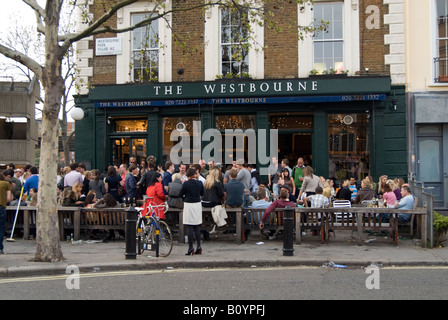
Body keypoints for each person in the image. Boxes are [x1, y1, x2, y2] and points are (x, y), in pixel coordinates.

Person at [180, 168, 204, 256]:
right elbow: (202, 193)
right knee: (197, 225)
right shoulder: (200, 183)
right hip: (197, 204)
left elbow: (180, 194)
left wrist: (185, 198)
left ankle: (190, 248)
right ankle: (199, 246)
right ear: (194, 174)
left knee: (189, 226)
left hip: (188, 204)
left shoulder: (186, 184)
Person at [0, 172, 12, 254]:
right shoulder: (6, 184)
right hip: (1, 207)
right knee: (1, 228)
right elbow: (8, 198)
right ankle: (0, 248)